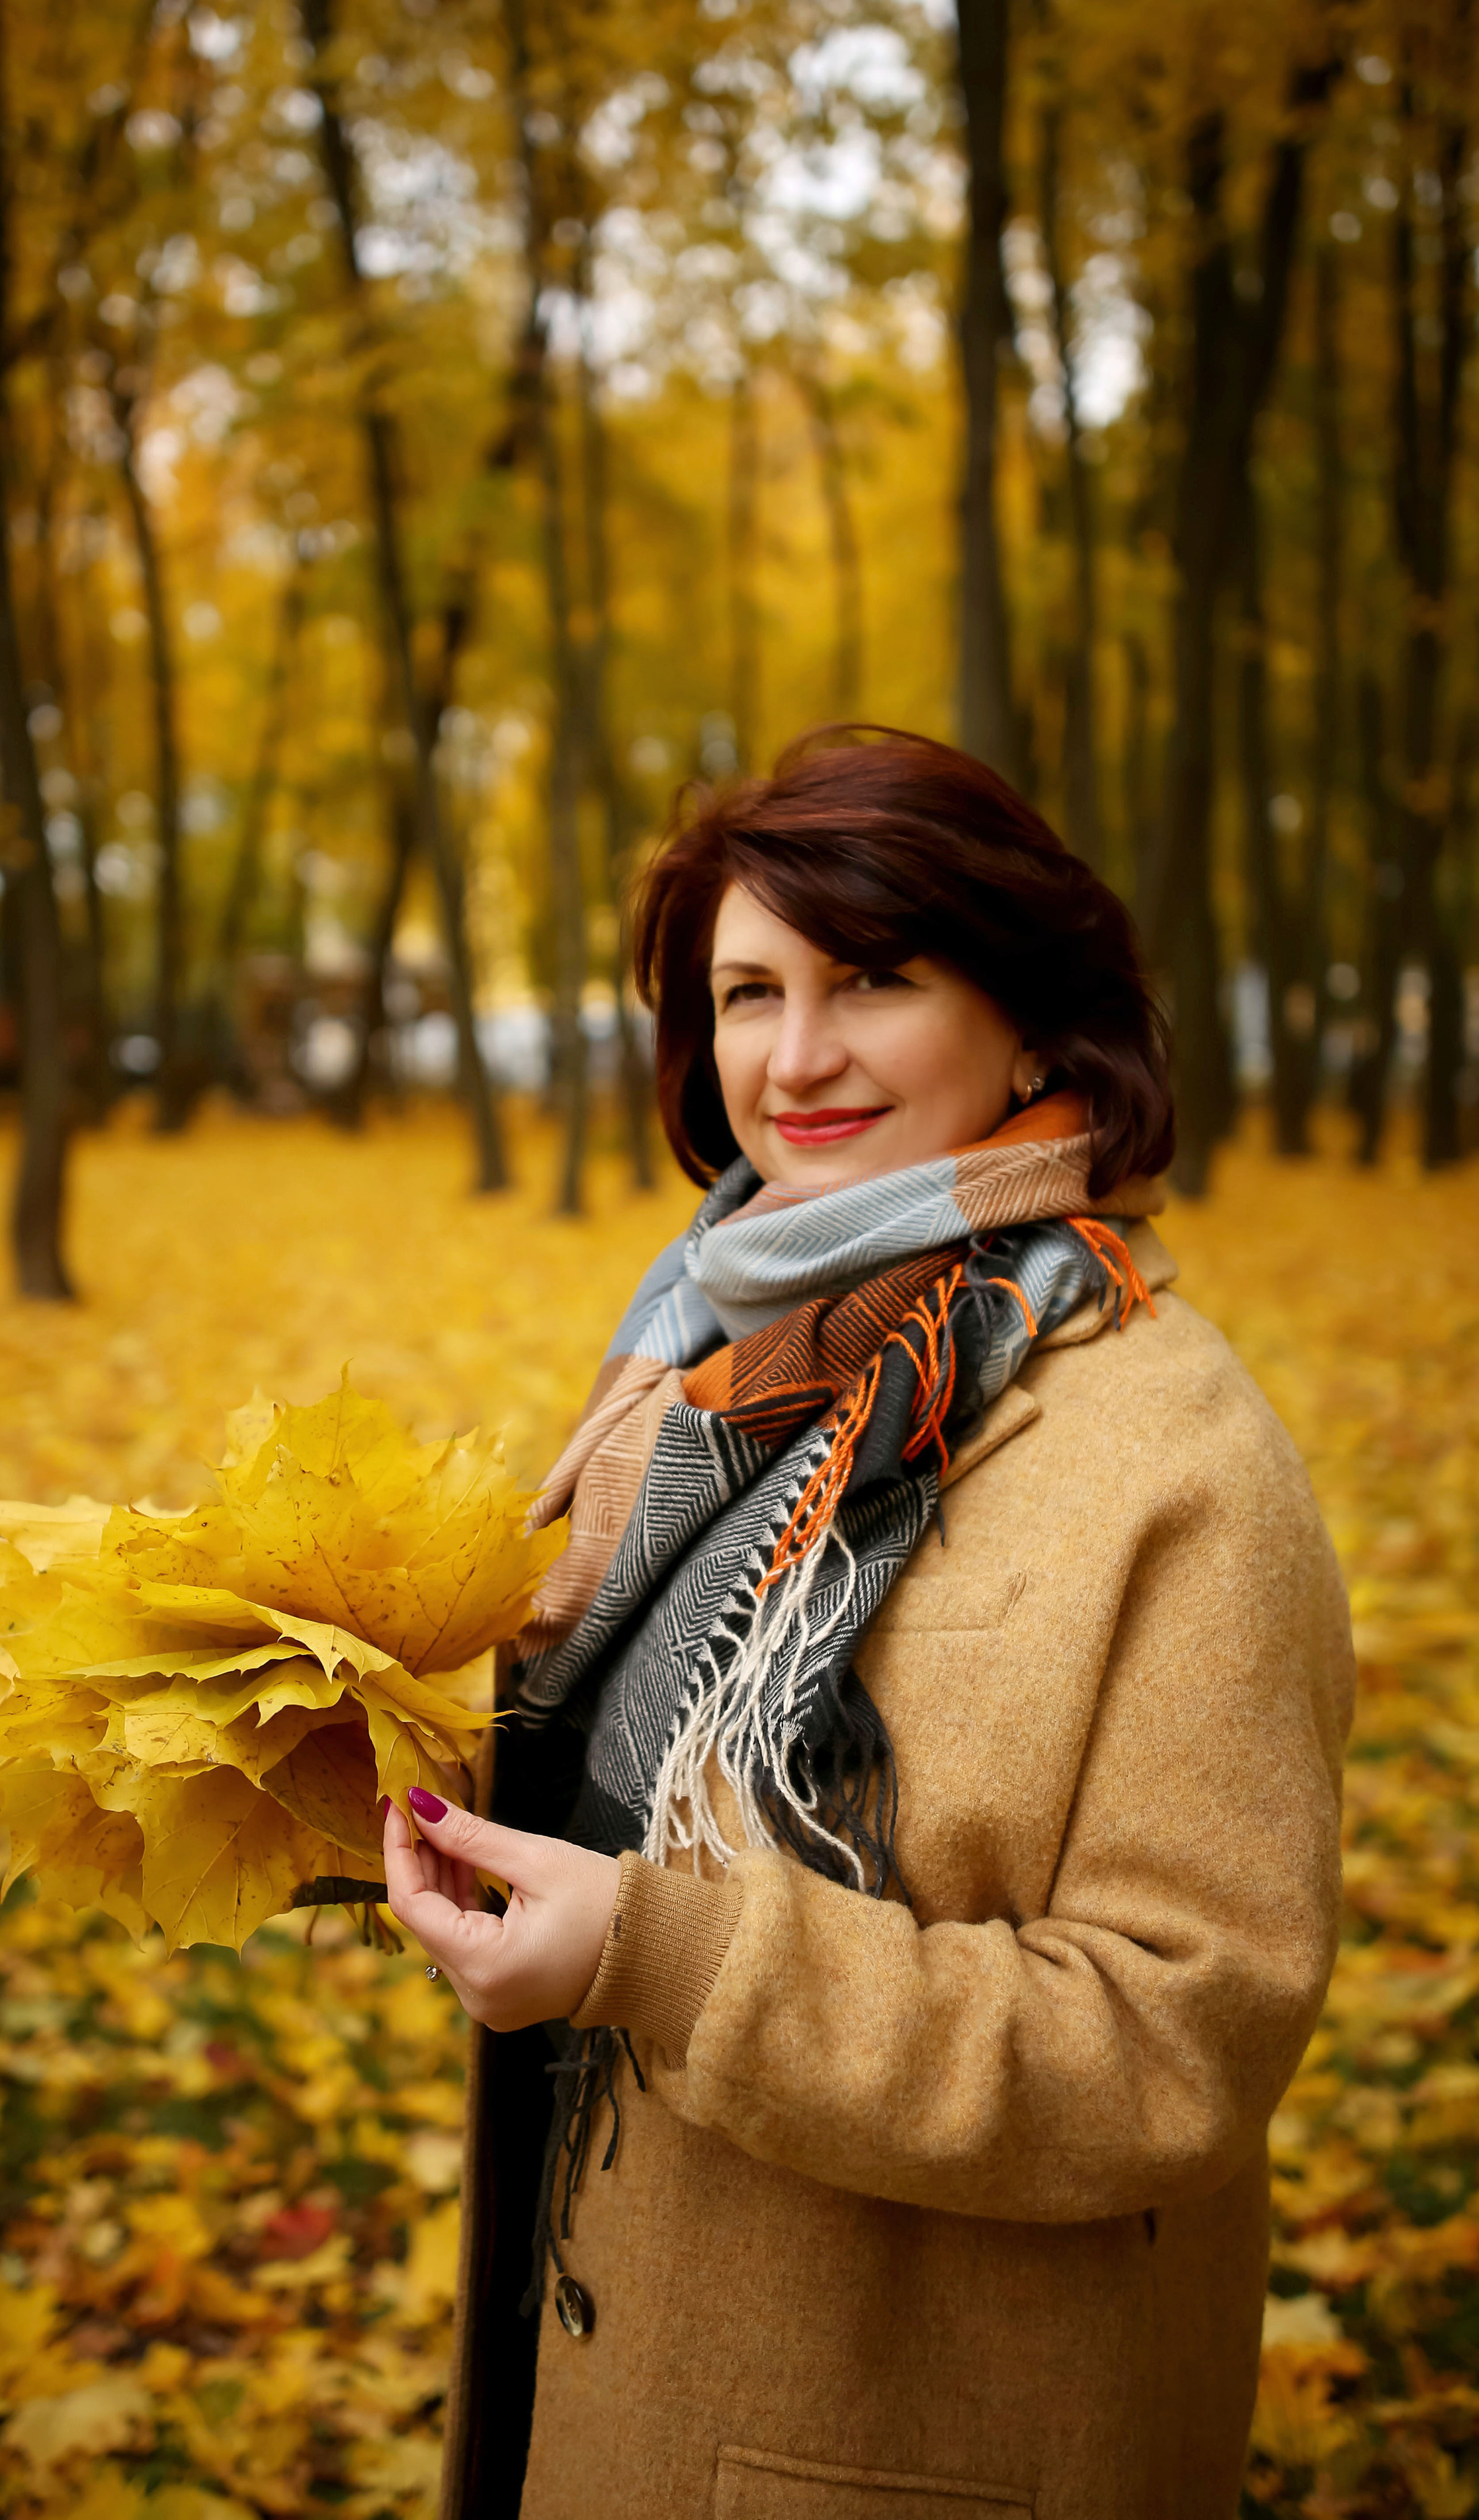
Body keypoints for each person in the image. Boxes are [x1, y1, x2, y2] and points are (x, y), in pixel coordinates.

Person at [381, 728, 1353, 2520]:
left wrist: (659, 1961)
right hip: (595, 2369)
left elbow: (1179, 2039)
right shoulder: (700, 1361)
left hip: (898, 2447)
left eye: (877, 980)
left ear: (1043, 1028)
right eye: (750, 992)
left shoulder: (1168, 1457)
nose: (796, 1056)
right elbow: (608, 1760)